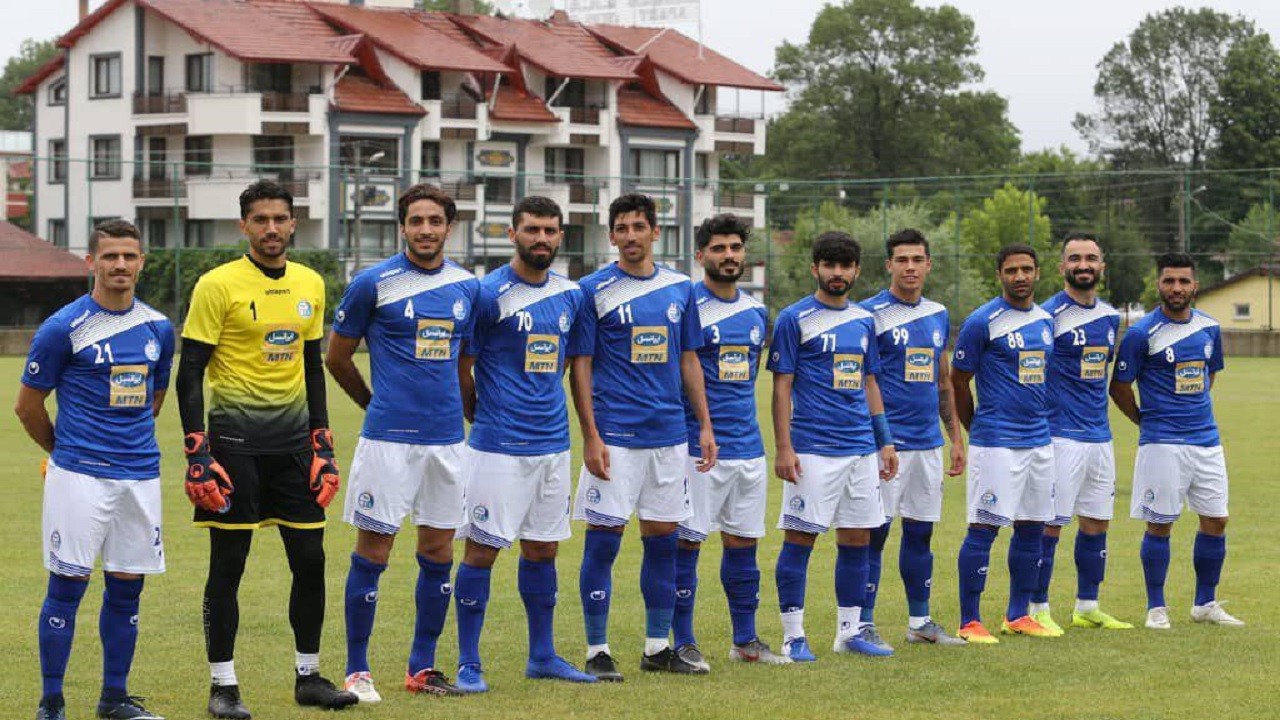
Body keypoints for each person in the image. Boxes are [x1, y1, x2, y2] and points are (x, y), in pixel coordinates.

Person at [177, 181, 355, 718]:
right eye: (260, 219)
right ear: (244, 226)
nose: (271, 228)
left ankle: (309, 677)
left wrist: (322, 441)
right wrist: (197, 452)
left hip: (295, 449)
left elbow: (312, 366)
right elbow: (190, 371)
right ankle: (223, 687)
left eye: (280, 219)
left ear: (293, 223)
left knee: (311, 561)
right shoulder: (217, 285)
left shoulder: (310, 283)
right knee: (229, 565)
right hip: (234, 448)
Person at [326, 183, 479, 701]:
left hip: (447, 442)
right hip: (388, 442)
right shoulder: (372, 283)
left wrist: (471, 411)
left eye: (435, 221)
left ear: (449, 227)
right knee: (374, 551)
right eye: (416, 221)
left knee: (438, 552)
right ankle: (357, 670)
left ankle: (423, 668)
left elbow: (464, 362)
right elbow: (336, 357)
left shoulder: (467, 287)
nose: (426, 230)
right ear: (402, 227)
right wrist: (373, 404)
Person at [15, 220, 173, 720]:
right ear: (91, 262)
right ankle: (52, 703)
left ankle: (114, 699)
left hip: (140, 476)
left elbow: (153, 399)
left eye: (129, 256)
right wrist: (65, 452)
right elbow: (27, 406)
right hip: (80, 476)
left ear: (142, 261)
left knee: (127, 591)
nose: (120, 265)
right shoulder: (63, 327)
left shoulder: (159, 328)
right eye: (110, 256)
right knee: (67, 587)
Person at [451, 196, 598, 690]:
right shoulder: (486, 293)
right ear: (512, 233)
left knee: (543, 550)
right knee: (481, 551)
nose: (541, 238)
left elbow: (574, 367)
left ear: (561, 237)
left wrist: (589, 435)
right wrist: (477, 412)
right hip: (497, 446)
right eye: (532, 229)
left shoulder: (572, 295)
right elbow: (463, 366)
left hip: (553, 446)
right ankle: (469, 663)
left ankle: (543, 655)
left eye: (550, 230)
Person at [572, 192, 717, 680]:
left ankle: (658, 647)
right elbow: (581, 366)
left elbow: (689, 359)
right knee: (603, 543)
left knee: (663, 542)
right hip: (615, 438)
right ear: (611, 235)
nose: (631, 235)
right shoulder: (592, 290)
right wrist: (591, 435)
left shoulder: (680, 289)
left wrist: (704, 424)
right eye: (622, 228)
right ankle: (597, 650)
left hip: (670, 438)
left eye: (639, 227)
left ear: (656, 232)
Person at [768, 231, 899, 662]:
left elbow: (869, 382)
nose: (837, 273)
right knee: (800, 539)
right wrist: (784, 447)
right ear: (815, 269)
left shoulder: (863, 320)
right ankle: (793, 636)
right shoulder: (794, 319)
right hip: (813, 448)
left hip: (860, 449)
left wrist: (884, 441)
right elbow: (782, 386)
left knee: (858, 538)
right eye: (830, 265)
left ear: (857, 271)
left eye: (845, 266)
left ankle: (849, 632)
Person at [672, 214, 789, 668]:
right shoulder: (686, 305)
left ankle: (745, 641)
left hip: (748, 448)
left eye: (735, 248)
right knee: (688, 543)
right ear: (700, 255)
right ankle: (683, 641)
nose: (729, 256)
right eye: (719, 248)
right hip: (697, 447)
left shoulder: (757, 313)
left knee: (744, 544)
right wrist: (701, 427)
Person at [1110, 252, 1243, 630]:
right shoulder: (1141, 333)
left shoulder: (1209, 328)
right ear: (1159, 285)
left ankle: (1205, 603)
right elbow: (1119, 387)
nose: (1176, 288)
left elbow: (1209, 375)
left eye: (1184, 281)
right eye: (1169, 281)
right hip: (1162, 442)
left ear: (1195, 285)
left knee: (1217, 519)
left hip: (1206, 441)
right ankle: (1156, 607)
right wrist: (1143, 419)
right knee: (1160, 523)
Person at [857, 228, 966, 647]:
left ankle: (920, 622)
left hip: (928, 446)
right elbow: (863, 380)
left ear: (928, 265)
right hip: (886, 446)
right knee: (875, 534)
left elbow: (943, 381)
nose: (910, 267)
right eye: (901, 260)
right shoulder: (869, 314)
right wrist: (881, 438)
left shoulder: (938, 314)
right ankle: (863, 623)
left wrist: (954, 437)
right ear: (889, 265)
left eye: (917, 259)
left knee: (921, 533)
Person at [950, 243, 1057, 643]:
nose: (1020, 276)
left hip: (1039, 441)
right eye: (1012, 270)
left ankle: (1018, 615)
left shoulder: (1045, 321)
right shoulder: (983, 322)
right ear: (1000, 275)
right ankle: (969, 621)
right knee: (984, 527)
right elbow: (958, 380)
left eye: (1027, 269)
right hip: (997, 441)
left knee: (1032, 528)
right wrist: (977, 427)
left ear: (1037, 273)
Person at [1033, 234, 1132, 633]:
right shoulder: (1046, 315)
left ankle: (1087, 606)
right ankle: (1037, 607)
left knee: (1096, 522)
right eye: (1075, 258)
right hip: (1059, 435)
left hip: (1099, 437)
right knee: (1050, 524)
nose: (1083, 265)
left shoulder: (1109, 317)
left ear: (1102, 265)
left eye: (1091, 258)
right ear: (1062, 267)